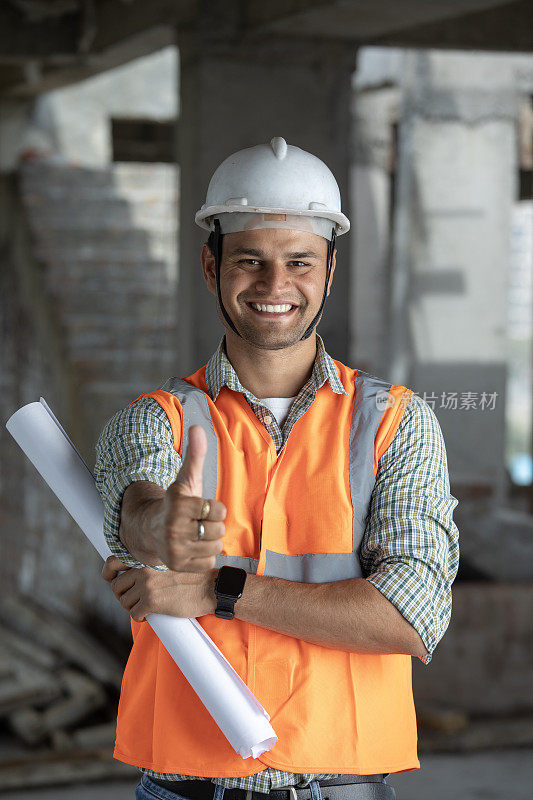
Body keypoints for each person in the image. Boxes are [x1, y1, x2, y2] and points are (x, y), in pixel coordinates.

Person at [94, 137, 459, 800]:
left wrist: (218, 590)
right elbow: (138, 513)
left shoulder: (395, 424)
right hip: (188, 789)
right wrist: (156, 526)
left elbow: (412, 616)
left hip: (345, 786)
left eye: (298, 261)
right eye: (248, 262)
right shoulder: (155, 422)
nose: (273, 285)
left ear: (329, 268)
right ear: (211, 267)